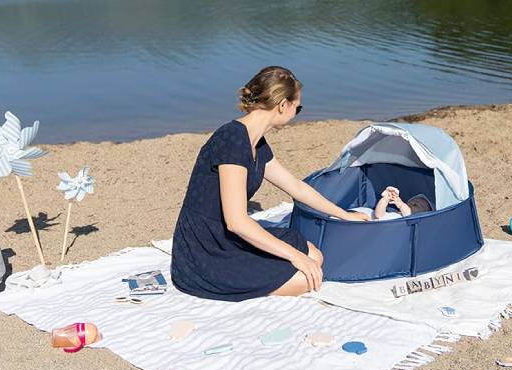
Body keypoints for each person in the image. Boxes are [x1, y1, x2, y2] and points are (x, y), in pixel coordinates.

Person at [170, 66, 370, 302]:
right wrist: (295, 257)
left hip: (228, 235)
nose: (298, 112)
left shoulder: (257, 142)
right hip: (206, 247)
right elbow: (236, 222)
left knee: (314, 256)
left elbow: (295, 186)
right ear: (283, 105)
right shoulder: (232, 139)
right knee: (305, 277)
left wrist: (344, 215)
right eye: (298, 107)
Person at [350, 186, 434, 220]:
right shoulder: (394, 214)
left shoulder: (408, 220)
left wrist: (400, 203)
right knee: (363, 215)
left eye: (416, 205)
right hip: (369, 218)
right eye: (410, 203)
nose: (411, 204)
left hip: (372, 226)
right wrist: (385, 199)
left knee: (363, 217)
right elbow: (379, 214)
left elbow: (408, 214)